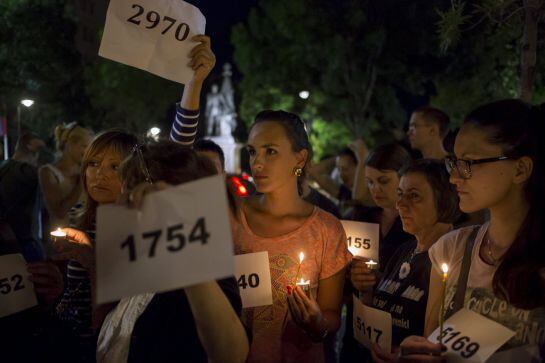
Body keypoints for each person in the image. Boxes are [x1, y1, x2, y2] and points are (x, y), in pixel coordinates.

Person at [52, 34, 216, 360]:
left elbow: (178, 149)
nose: (99, 173)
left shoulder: (139, 231)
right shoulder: (79, 220)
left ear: (134, 174)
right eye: (94, 164)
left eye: (114, 166)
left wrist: (194, 83)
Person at [400, 99, 545, 362]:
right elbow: (432, 342)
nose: (454, 177)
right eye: (453, 162)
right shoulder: (451, 249)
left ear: (521, 169)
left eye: (469, 163)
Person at [89, 141, 249, 363]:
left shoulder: (205, 270)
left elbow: (231, 354)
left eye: (129, 192)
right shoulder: (136, 264)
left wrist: (180, 243)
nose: (120, 202)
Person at [223, 110, 352, 363]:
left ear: (300, 158)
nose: (257, 163)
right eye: (252, 151)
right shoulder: (232, 217)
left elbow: (332, 314)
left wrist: (317, 322)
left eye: (270, 151)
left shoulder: (326, 229)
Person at [351, 160, 459, 362]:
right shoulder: (405, 250)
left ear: (444, 199)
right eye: (400, 194)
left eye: (414, 196)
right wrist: (366, 290)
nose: (399, 204)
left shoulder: (453, 259)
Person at [340, 143, 413, 362]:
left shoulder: (415, 225)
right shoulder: (360, 217)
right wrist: (350, 275)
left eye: (383, 181)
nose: (375, 189)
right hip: (357, 330)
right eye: (369, 182)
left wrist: (382, 282)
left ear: (404, 178)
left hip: (399, 334)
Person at [0, 132, 46, 261]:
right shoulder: (25, 171)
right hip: (25, 244)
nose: (41, 154)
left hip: (7, 243)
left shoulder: (3, 166)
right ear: (30, 145)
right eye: (40, 149)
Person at [39, 122, 92, 229]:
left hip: (86, 240)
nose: (88, 152)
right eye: (84, 146)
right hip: (62, 241)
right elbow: (60, 212)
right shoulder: (48, 172)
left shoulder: (87, 170)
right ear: (69, 144)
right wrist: (82, 182)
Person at [309, 147, 359, 217]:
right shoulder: (345, 194)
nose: (341, 174)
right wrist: (337, 158)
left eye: (345, 169)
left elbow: (312, 172)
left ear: (358, 168)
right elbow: (313, 172)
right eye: (339, 169)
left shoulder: (369, 194)